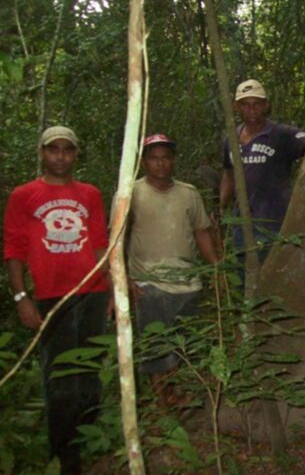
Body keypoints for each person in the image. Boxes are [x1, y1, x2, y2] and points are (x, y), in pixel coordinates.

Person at [3, 126, 112, 474]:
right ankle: (65, 456)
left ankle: (88, 444)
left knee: (91, 373)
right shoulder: (24, 195)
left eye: (67, 150)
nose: (60, 156)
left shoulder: (90, 194)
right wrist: (22, 297)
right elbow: (14, 248)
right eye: (54, 150)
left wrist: (111, 289)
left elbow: (99, 243)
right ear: (43, 153)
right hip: (51, 297)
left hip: (92, 293)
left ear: (76, 154)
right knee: (60, 376)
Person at [127, 133, 218, 406]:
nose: (161, 164)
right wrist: (124, 280)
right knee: (155, 345)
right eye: (154, 158)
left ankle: (175, 393)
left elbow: (202, 232)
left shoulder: (188, 193)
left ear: (173, 160)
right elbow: (117, 238)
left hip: (187, 283)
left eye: (165, 158)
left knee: (182, 344)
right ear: (144, 162)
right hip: (148, 282)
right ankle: (163, 401)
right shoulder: (131, 193)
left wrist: (216, 268)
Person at [219, 79, 305, 262]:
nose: (252, 109)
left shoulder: (282, 134)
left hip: (274, 222)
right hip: (242, 223)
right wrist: (220, 207)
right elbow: (229, 175)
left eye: (257, 104)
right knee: (245, 273)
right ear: (237, 107)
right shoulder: (231, 138)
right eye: (245, 104)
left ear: (266, 105)